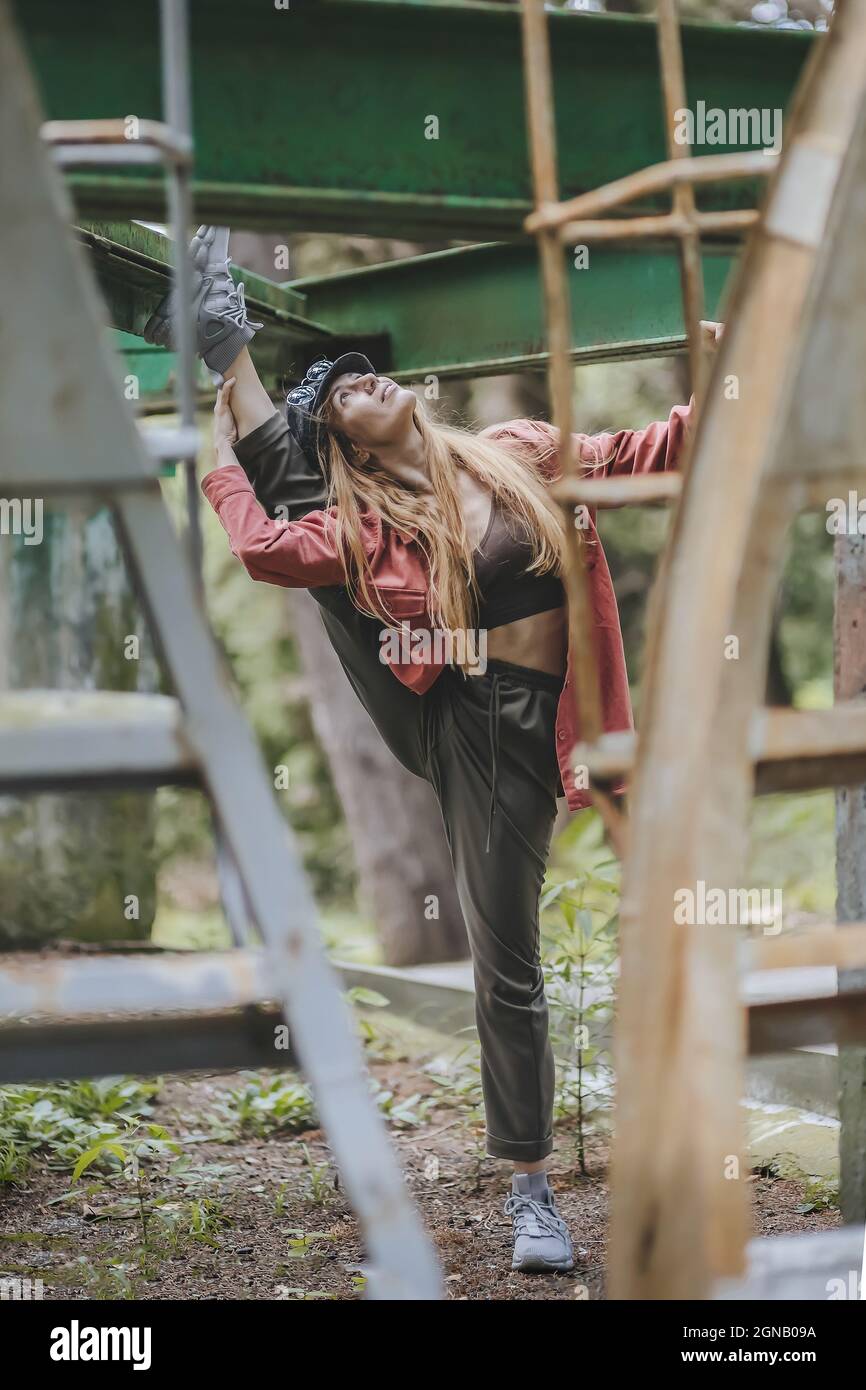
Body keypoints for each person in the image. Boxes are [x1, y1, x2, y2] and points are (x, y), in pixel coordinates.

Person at [146, 227, 711, 1275]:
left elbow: (636, 454)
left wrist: (714, 391)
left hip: (531, 722)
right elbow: (269, 548)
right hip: (450, 715)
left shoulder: (520, 451)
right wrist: (222, 470)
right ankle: (531, 1195)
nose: (370, 379)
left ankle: (219, 338)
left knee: (511, 946)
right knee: (507, 963)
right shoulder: (372, 521)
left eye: (370, 373)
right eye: (347, 390)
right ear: (353, 438)